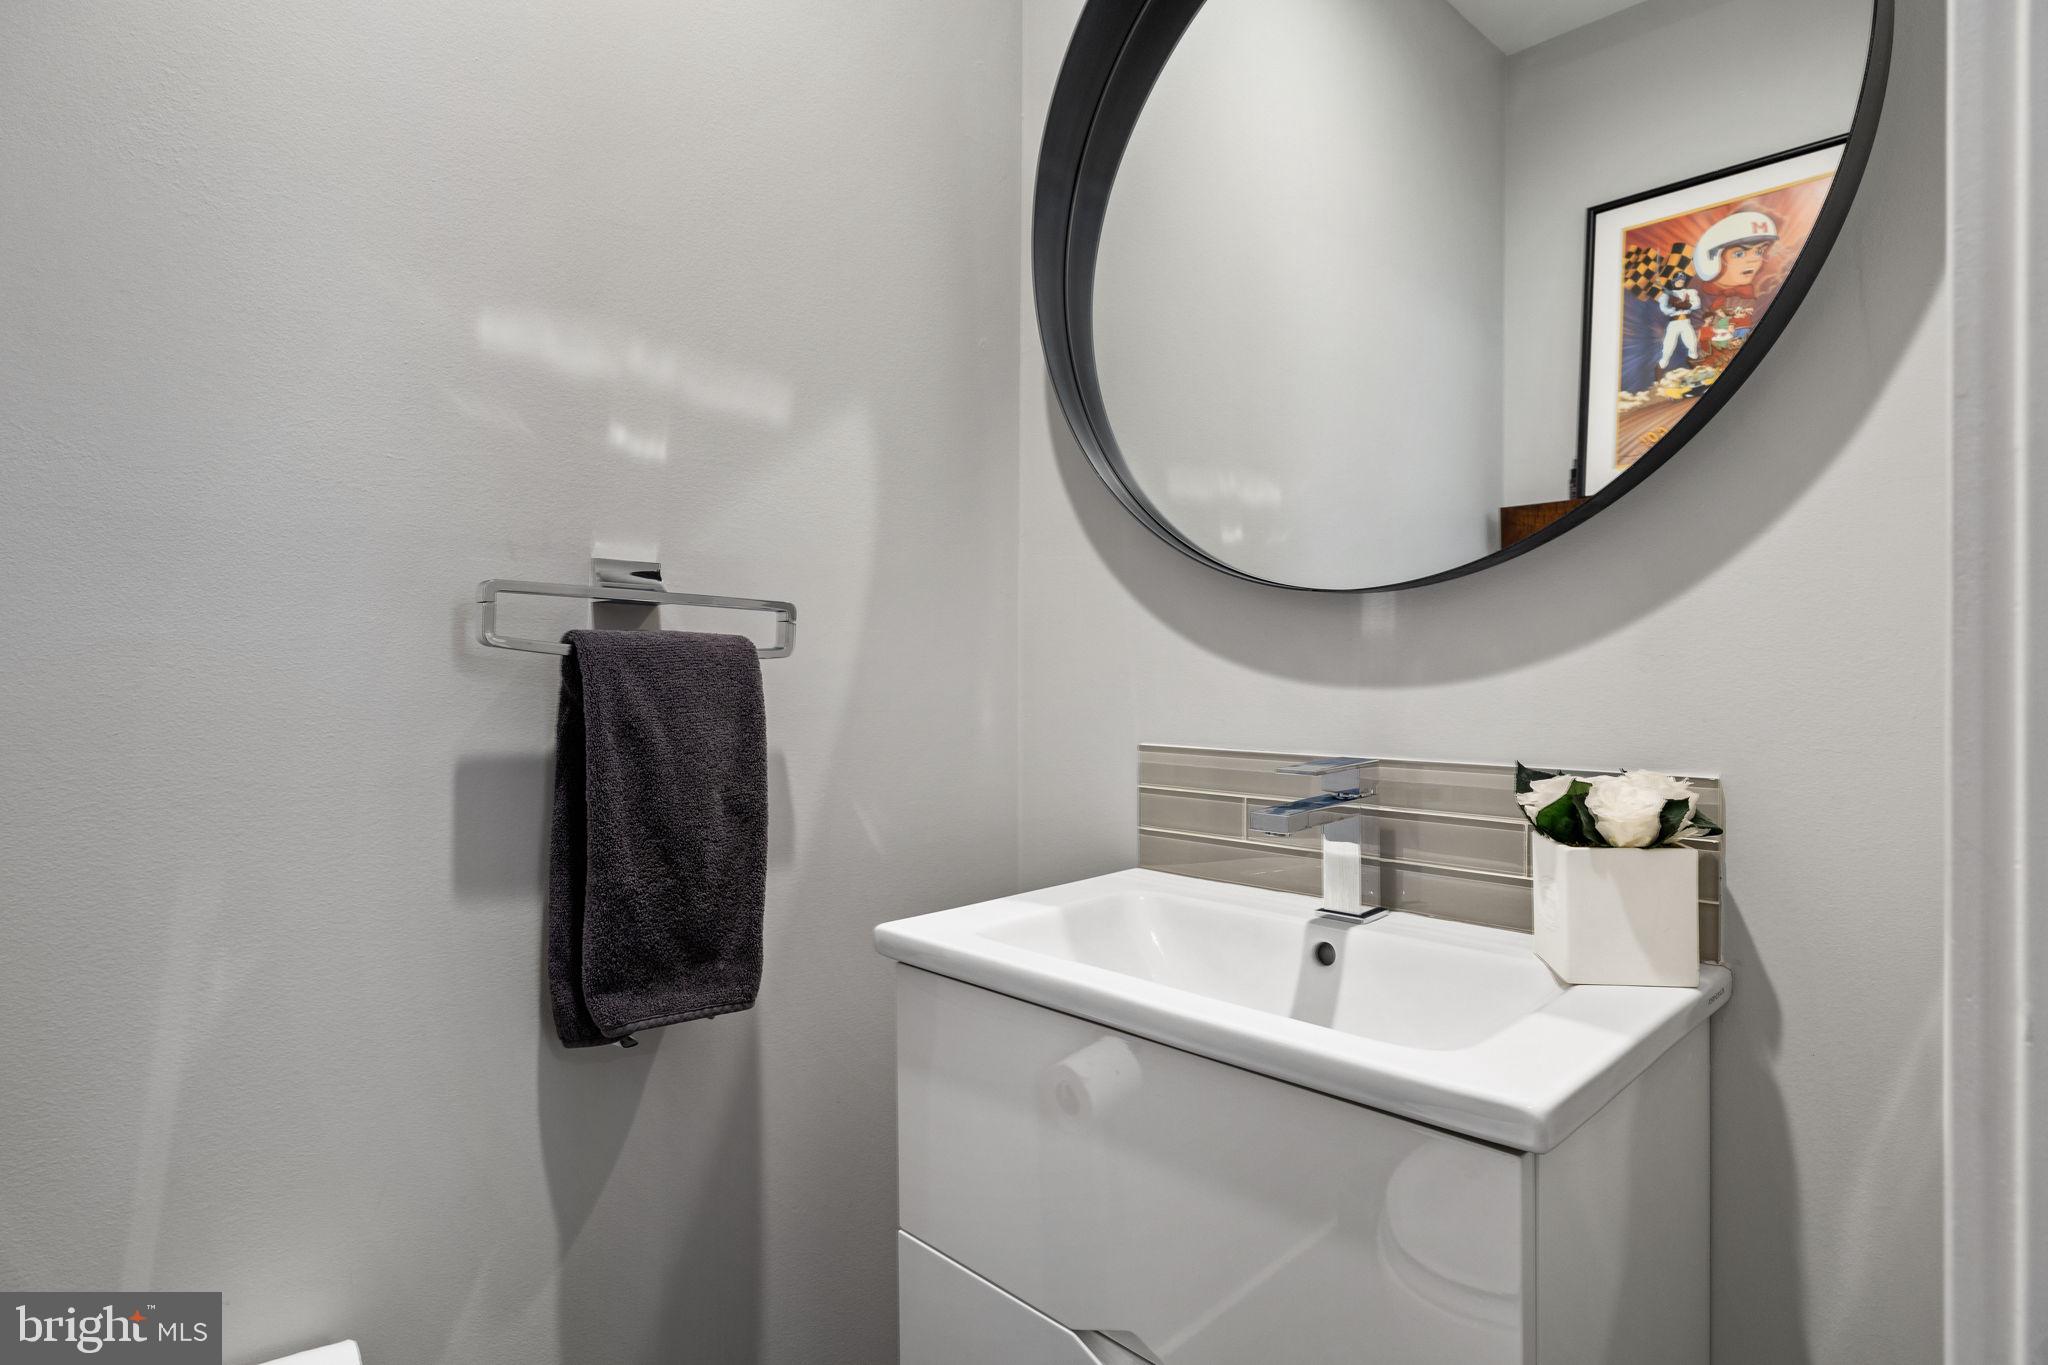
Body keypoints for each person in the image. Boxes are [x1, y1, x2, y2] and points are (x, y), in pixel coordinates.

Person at [1657, 272, 1704, 373]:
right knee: (1668, 346)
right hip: (1674, 323)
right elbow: (1664, 309)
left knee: (1692, 343)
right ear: (1674, 281)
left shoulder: (1689, 292)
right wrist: (1675, 307)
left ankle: (1694, 368)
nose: (1680, 282)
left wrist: (1687, 305)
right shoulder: (1667, 294)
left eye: (1682, 281)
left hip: (1686, 322)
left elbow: (1697, 304)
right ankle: (1661, 368)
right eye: (1678, 281)